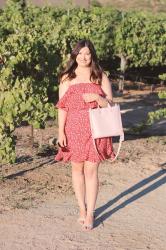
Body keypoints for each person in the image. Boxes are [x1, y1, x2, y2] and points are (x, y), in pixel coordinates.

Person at [55, 39, 115, 231]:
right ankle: (82, 208)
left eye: (87, 53)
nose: (83, 57)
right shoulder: (67, 77)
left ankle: (91, 213)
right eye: (80, 53)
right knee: (77, 170)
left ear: (92, 55)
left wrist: (98, 98)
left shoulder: (100, 76)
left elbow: (111, 105)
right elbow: (62, 107)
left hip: (96, 130)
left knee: (91, 171)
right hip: (74, 129)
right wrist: (60, 131)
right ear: (75, 56)